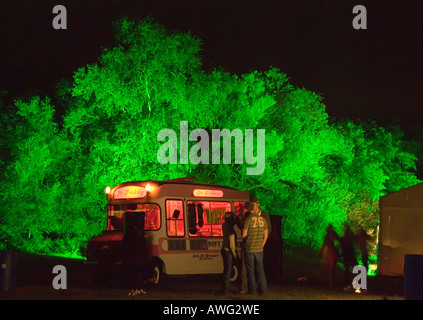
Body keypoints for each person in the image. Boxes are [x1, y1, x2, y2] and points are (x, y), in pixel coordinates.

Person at [242, 202, 268, 295]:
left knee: (250, 270)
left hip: (250, 248)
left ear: (248, 210)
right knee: (260, 270)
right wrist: (262, 245)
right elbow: (266, 234)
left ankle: (252, 290)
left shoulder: (248, 220)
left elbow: (243, 234)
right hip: (259, 249)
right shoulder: (263, 219)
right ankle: (263, 290)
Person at [220, 211, 237, 295]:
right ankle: (226, 290)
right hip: (228, 251)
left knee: (225, 270)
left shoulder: (224, 225)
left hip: (223, 249)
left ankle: (224, 288)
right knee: (228, 271)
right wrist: (235, 255)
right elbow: (232, 245)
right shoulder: (231, 229)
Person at [340, 225, 358, 290]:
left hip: (348, 255)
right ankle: (347, 284)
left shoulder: (345, 239)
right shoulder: (347, 240)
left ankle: (348, 284)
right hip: (348, 255)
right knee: (348, 270)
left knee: (348, 270)